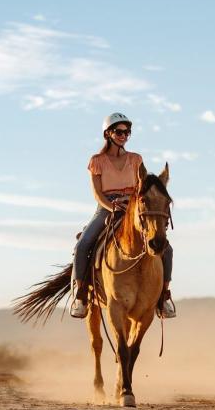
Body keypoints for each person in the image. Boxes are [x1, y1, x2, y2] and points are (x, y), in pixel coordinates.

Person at [70, 112, 175, 319]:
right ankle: (80, 294)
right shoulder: (97, 161)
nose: (124, 135)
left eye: (127, 132)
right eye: (119, 131)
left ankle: (163, 296)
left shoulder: (136, 159)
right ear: (108, 133)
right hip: (107, 208)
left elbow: (141, 188)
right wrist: (112, 206)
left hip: (133, 207)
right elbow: (97, 194)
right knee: (82, 244)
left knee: (167, 248)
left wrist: (133, 205)